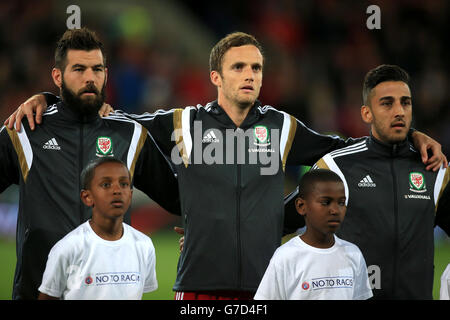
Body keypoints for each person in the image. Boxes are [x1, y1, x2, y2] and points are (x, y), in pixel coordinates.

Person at [6, 33, 447, 300]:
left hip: (265, 286)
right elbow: (101, 117)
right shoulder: (183, 123)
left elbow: (352, 149)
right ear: (216, 77)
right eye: (239, 67)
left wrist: (412, 140)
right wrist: (47, 99)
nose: (250, 74)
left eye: (256, 66)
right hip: (197, 286)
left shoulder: (282, 127)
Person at [0, 28, 179, 300]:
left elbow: (179, 197)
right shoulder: (25, 132)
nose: (89, 78)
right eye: (79, 69)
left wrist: (203, 228)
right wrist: (45, 99)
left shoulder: (129, 136)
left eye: (97, 69)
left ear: (106, 73)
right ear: (57, 76)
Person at [285, 64, 450, 299]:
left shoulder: (435, 171)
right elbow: (279, 221)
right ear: (366, 113)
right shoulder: (337, 168)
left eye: (405, 102)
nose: (399, 111)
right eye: (387, 103)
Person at [38, 157, 157, 300]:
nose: (117, 190)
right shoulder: (67, 248)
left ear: (130, 194)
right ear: (87, 197)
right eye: (106, 184)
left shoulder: (144, 245)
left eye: (124, 184)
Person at [254, 169, 372, 300]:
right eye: (326, 202)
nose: (335, 210)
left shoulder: (353, 253)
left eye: (341, 203)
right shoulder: (285, 256)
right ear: (301, 206)